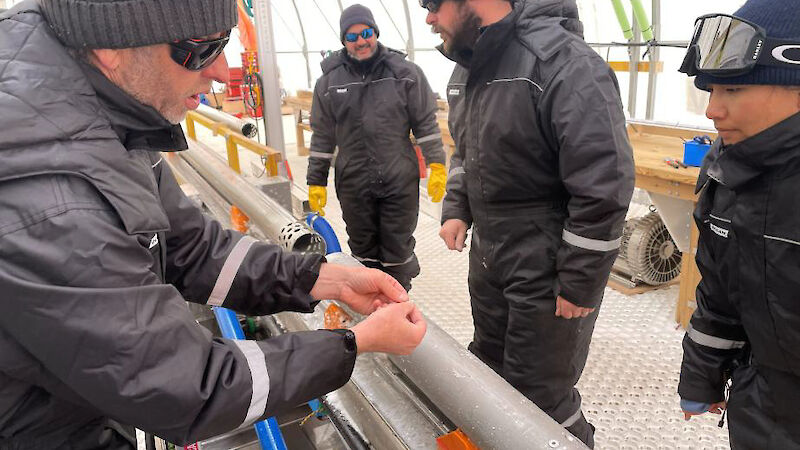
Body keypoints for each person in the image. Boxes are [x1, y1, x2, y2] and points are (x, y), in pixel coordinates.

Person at [0, 1, 427, 447]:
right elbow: (180, 386)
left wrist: (322, 278)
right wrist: (351, 343)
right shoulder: (47, 194)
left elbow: (190, 246)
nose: (223, 72)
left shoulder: (102, 113)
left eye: (225, 44)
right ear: (112, 47)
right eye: (201, 50)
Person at [422, 0, 635, 446]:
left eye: (433, 4)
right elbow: (465, 151)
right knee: (488, 367)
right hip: (491, 251)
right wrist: (458, 205)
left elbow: (603, 181)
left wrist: (579, 281)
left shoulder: (564, 65)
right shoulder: (467, 69)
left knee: (539, 394)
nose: (428, 18)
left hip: (547, 258)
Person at [676, 1, 800, 448]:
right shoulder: (728, 170)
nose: (712, 111)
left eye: (732, 91)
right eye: (709, 91)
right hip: (760, 406)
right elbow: (722, 296)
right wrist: (701, 378)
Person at [306, 4, 447, 291]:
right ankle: (370, 309)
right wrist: (315, 181)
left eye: (366, 33)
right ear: (344, 42)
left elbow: (425, 125)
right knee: (363, 252)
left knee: (398, 251)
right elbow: (322, 136)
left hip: (398, 180)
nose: (361, 41)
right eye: (352, 37)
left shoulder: (405, 73)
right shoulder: (329, 82)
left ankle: (398, 302)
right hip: (353, 182)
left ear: (376, 33)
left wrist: (437, 164)